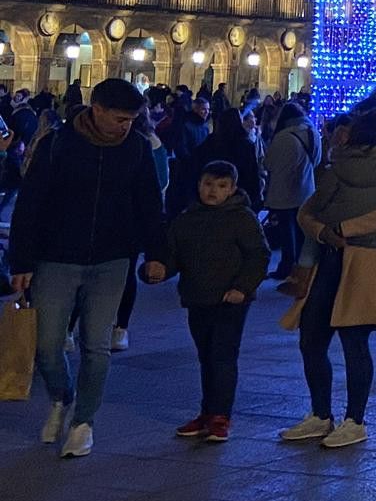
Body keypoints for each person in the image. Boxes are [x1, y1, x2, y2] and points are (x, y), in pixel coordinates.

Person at [9, 79, 168, 459]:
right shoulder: (57, 144)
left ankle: (84, 423)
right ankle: (62, 398)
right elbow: (30, 203)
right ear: (96, 110)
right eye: (119, 118)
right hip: (56, 257)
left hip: (112, 259)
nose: (126, 126)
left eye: (131, 119)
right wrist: (22, 261)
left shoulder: (136, 149)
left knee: (96, 345)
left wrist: (157, 253)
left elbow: (148, 201)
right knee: (47, 346)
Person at [283, 109, 376, 450]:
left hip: (336, 258)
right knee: (351, 343)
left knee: (318, 340)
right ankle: (344, 418)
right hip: (365, 260)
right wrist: (336, 231)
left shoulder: (337, 170)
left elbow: (307, 211)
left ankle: (334, 415)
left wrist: (328, 231)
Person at [142, 158, 267, 440]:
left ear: (232, 189)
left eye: (221, 186)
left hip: (230, 300)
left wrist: (242, 288)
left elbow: (258, 255)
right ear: (199, 184)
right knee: (206, 356)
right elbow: (173, 255)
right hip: (198, 297)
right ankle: (208, 411)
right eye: (208, 184)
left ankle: (221, 414)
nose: (213, 191)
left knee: (222, 355)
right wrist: (157, 269)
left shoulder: (241, 218)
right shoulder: (187, 220)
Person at [262, 101, 318, 281]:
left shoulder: (283, 136)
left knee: (287, 230)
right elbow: (316, 161)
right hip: (306, 189)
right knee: (302, 229)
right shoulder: (313, 132)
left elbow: (268, 163)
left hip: (284, 190)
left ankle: (287, 266)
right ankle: (303, 266)